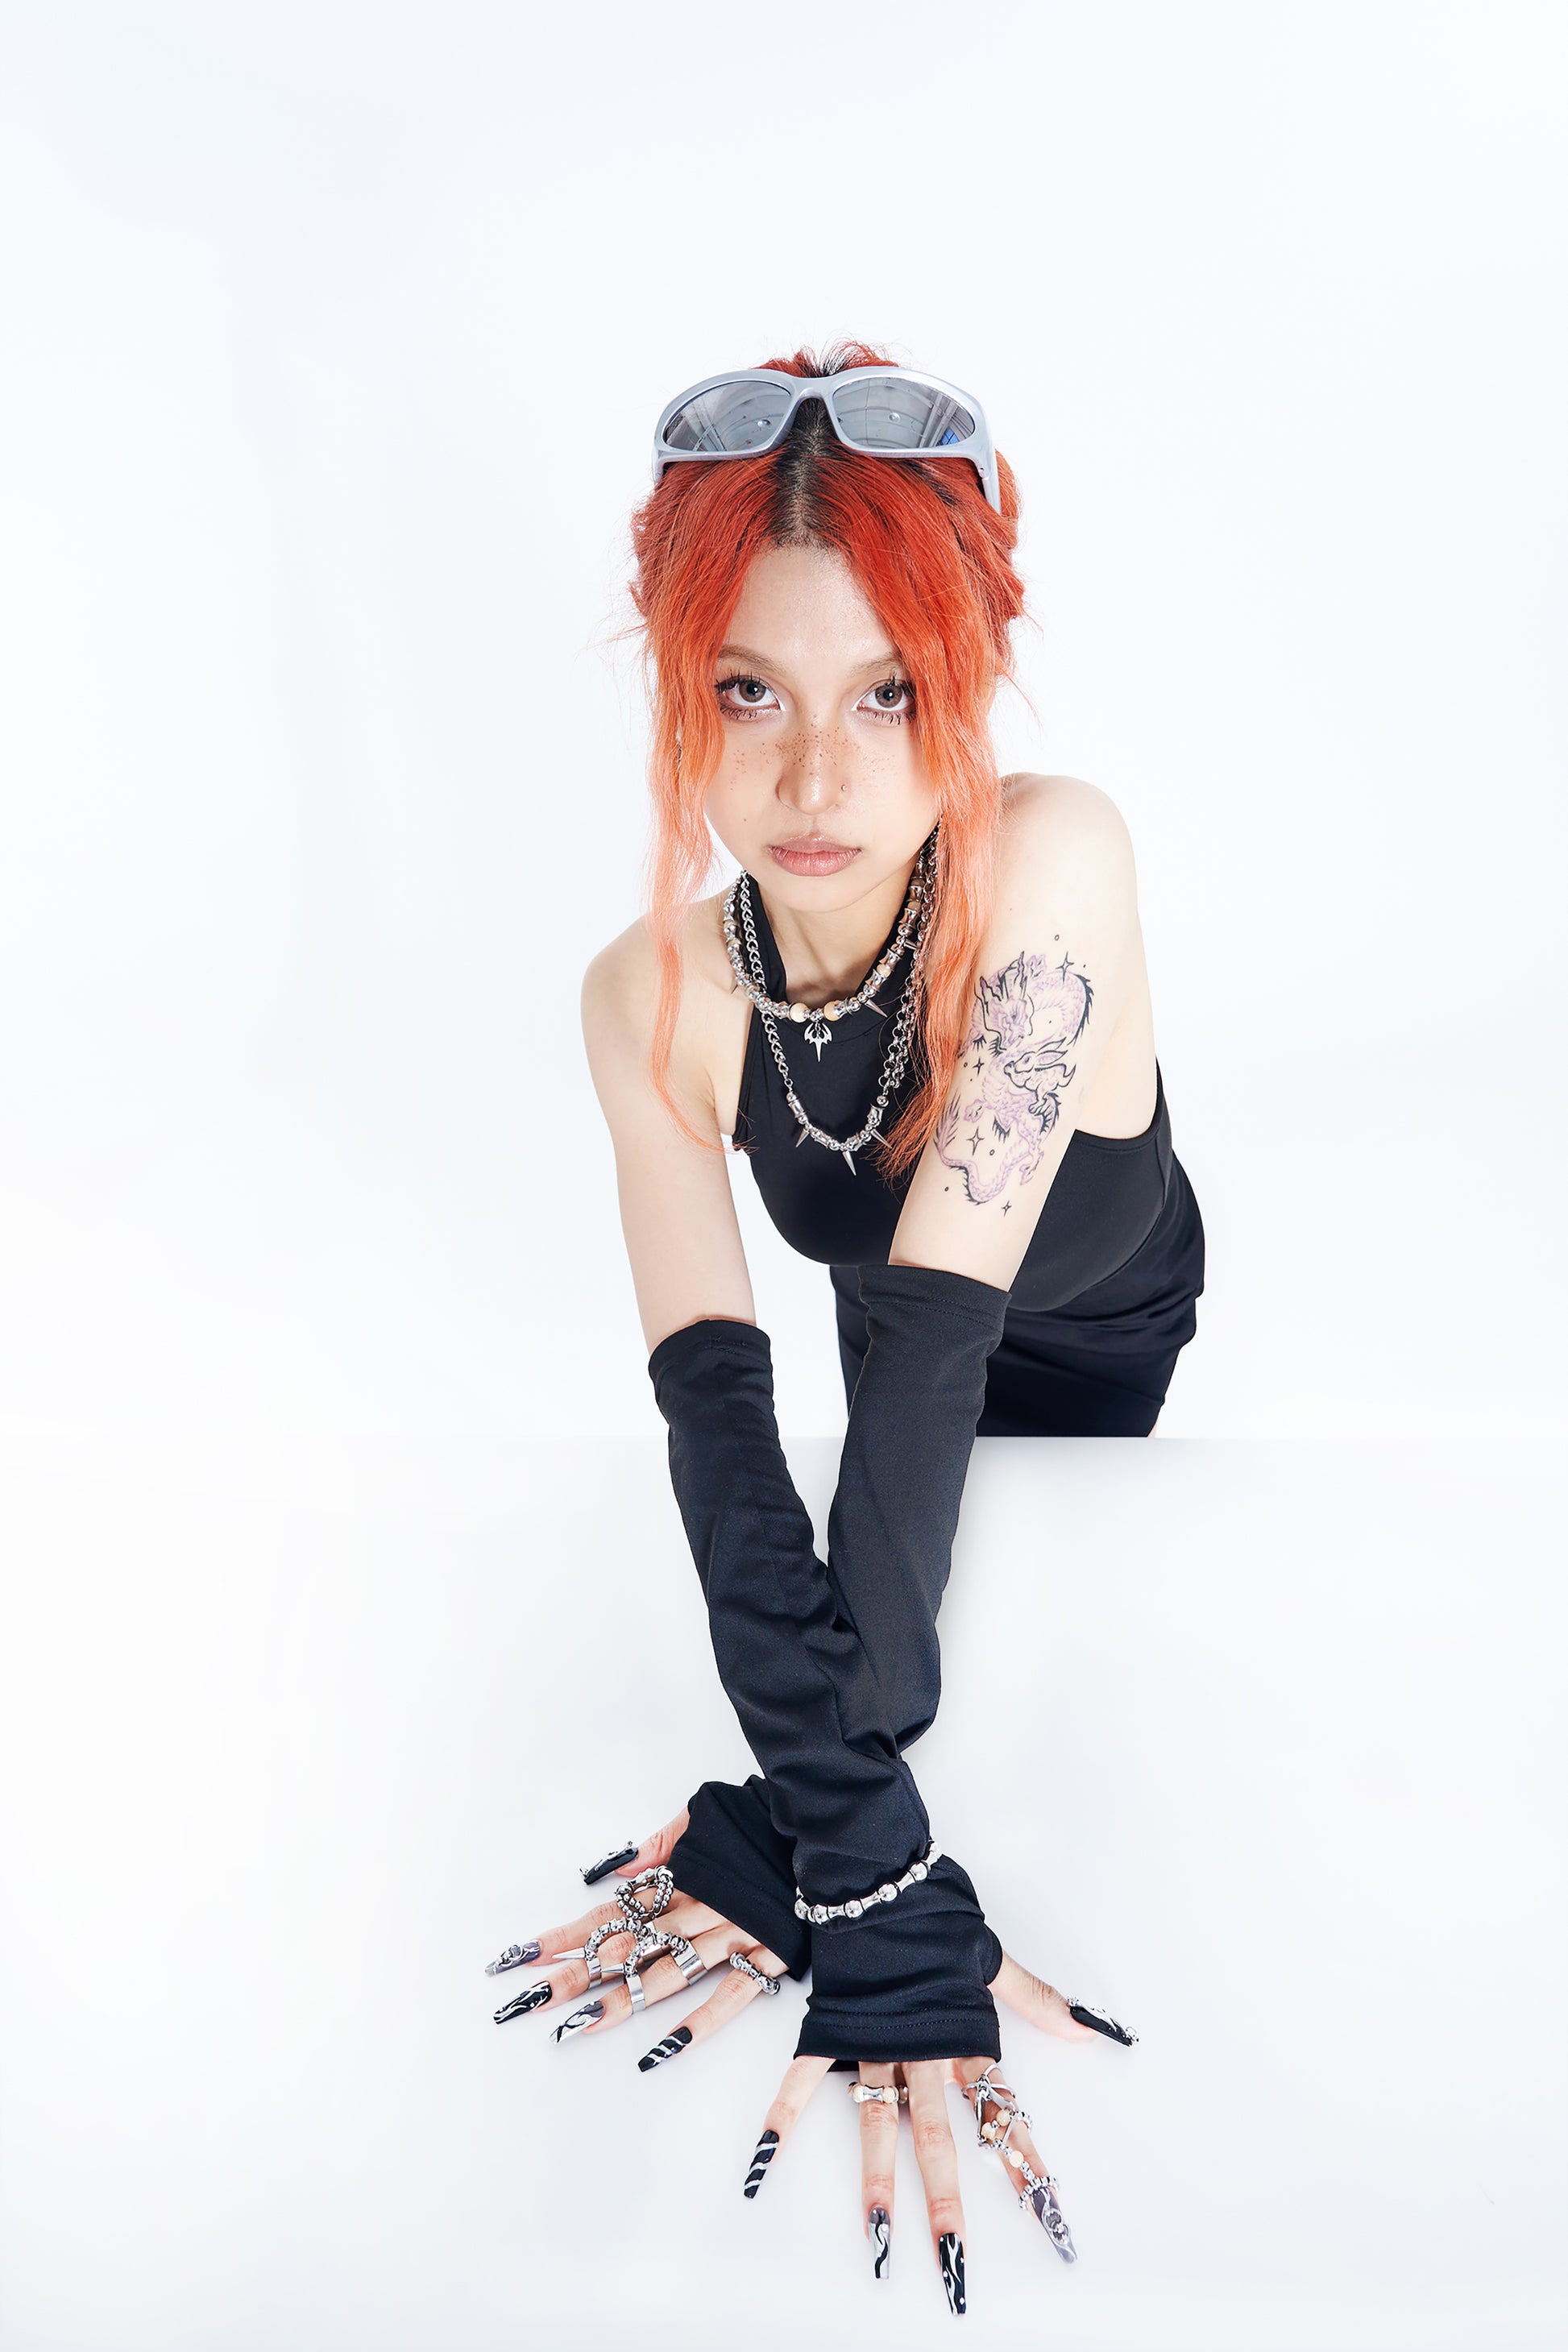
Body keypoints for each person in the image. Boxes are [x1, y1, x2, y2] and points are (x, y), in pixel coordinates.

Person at [488, 344, 1205, 2313]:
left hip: (1067, 1328)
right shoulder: (643, 996)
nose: (815, 781)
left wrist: (818, 1843)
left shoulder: (1053, 858)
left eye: (886, 693)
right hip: (889, 1346)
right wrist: (870, 1856)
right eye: (750, 692)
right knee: (859, 1479)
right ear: (677, 687)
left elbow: (941, 1366)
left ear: (966, 681)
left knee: (945, 1502)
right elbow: (722, 1444)